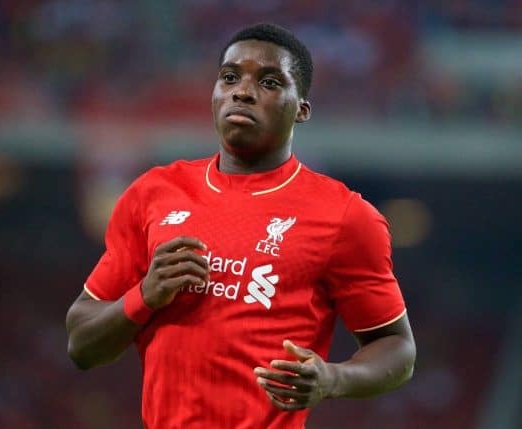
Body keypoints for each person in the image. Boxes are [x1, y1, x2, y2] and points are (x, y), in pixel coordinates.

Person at [66, 23, 416, 429]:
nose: (242, 91)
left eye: (269, 82)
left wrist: (333, 378)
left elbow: (397, 348)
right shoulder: (154, 193)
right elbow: (80, 345)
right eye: (229, 77)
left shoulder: (345, 216)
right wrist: (145, 295)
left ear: (301, 108)